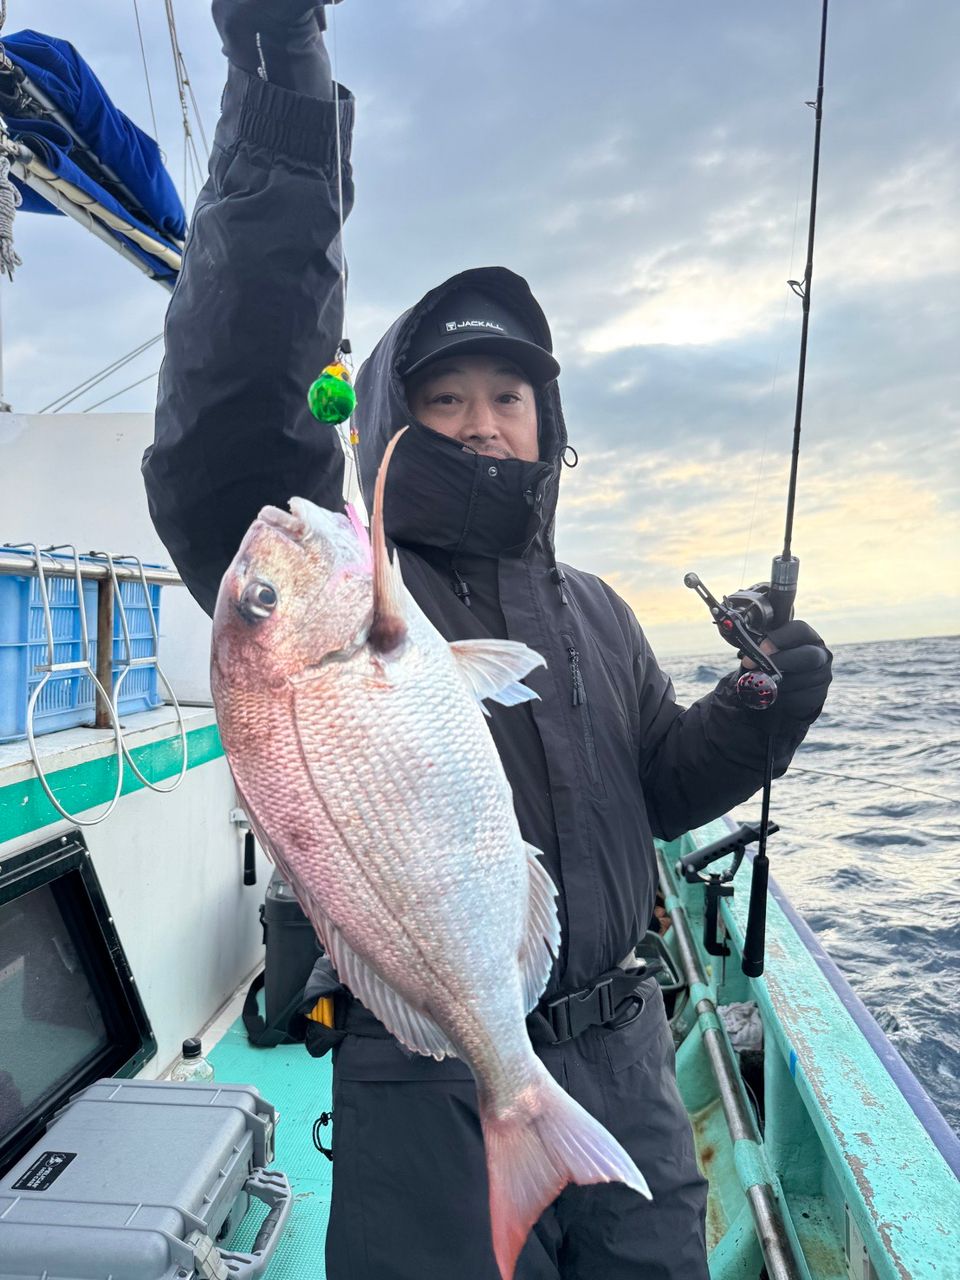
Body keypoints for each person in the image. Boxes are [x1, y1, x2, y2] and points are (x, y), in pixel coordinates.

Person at [142, 4, 833, 1277]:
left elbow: (660, 787)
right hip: (427, 1074)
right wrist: (285, 87)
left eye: (508, 397)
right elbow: (233, 414)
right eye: (443, 399)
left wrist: (763, 707)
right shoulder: (369, 587)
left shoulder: (594, 606)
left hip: (622, 1054)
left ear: (547, 417)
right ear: (389, 418)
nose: (480, 424)